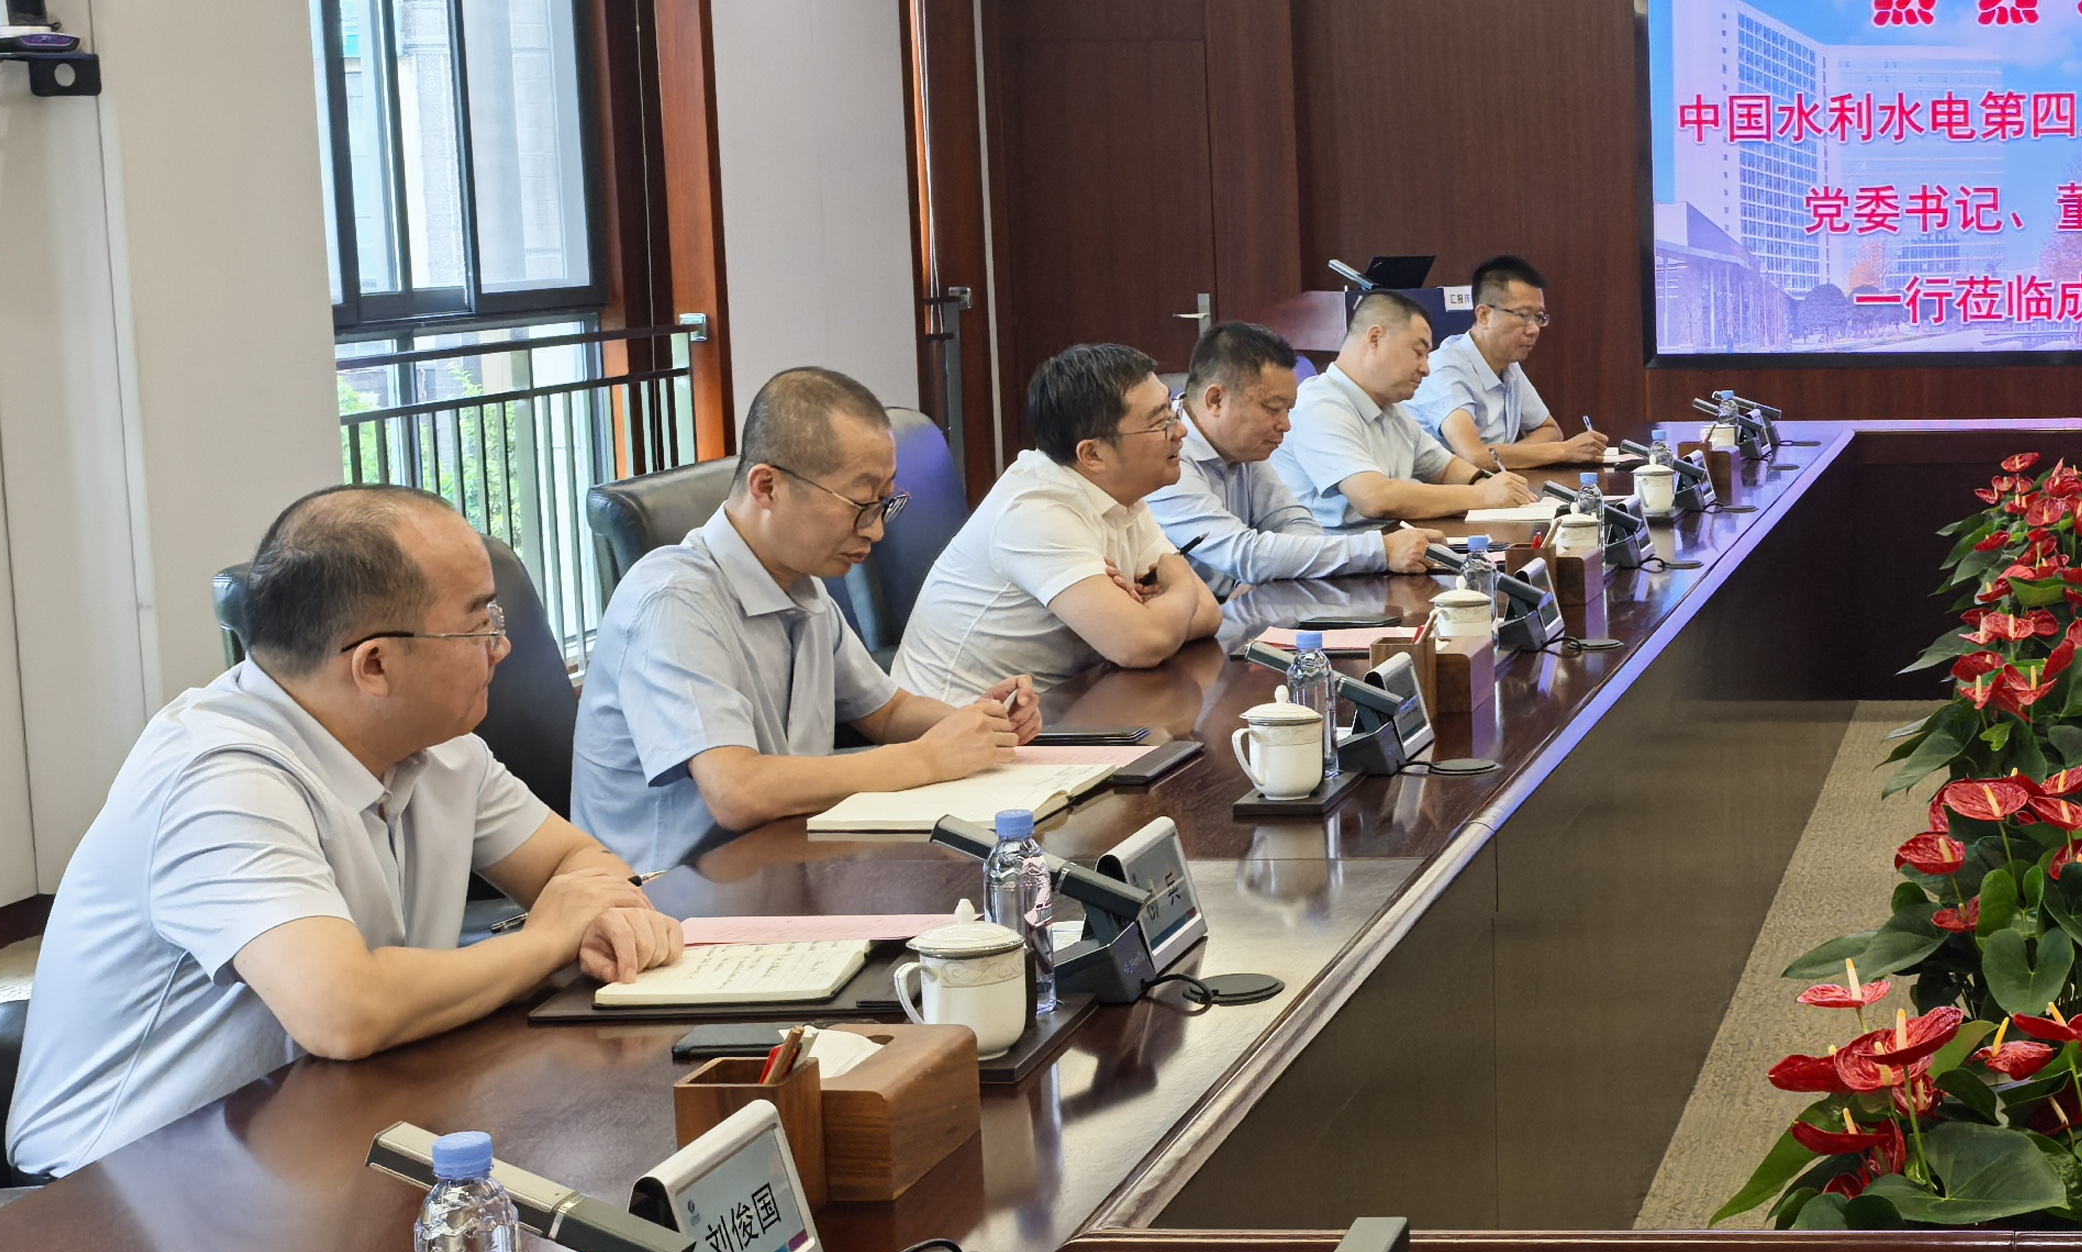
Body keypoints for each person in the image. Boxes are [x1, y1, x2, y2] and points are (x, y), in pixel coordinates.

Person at [7, 487, 682, 1177]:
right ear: (374, 665)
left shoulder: (442, 747)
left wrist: (605, 915)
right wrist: (548, 939)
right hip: (115, 1184)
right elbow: (342, 1010)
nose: (503, 647)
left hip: (313, 1130)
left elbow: (577, 862)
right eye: (479, 625)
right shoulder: (218, 777)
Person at [573, 366, 1045, 872]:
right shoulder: (673, 600)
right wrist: (928, 758)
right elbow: (736, 791)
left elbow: (886, 712)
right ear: (767, 487)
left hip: (781, 860)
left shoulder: (802, 585)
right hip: (668, 892)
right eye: (860, 504)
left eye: (885, 503)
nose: (876, 531)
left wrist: (977, 725)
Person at [892, 342, 1219, 698]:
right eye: (1160, 422)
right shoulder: (1035, 512)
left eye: (1173, 411)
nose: (1180, 431)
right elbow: (1142, 644)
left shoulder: (1123, 493)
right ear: (1092, 454)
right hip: (962, 718)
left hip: (1062, 703)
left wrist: (1150, 617)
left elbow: (1207, 614)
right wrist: (1179, 579)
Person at [1152, 320, 1442, 587]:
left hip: (1243, 606)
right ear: (1216, 399)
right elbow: (1243, 554)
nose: (1285, 424)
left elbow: (1294, 521)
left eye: (1288, 410)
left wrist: (1268, 572)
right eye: (1272, 408)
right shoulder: (1167, 455)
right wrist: (1380, 550)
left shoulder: (1243, 449)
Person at [1280, 289, 1537, 532]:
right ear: (1375, 339)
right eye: (1418, 352)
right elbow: (1374, 497)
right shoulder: (1320, 406)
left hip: (1389, 545)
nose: (1426, 368)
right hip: (1335, 556)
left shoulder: (1390, 409)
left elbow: (1445, 468)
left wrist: (1484, 482)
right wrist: (1482, 495)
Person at [1421, 256, 1605, 475]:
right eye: (1523, 315)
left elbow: (1549, 430)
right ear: (1484, 315)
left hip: (1491, 487)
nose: (1534, 329)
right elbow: (1474, 456)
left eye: (1539, 317)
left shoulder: (1508, 364)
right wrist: (1564, 451)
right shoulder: (1444, 369)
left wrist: (1502, 457)